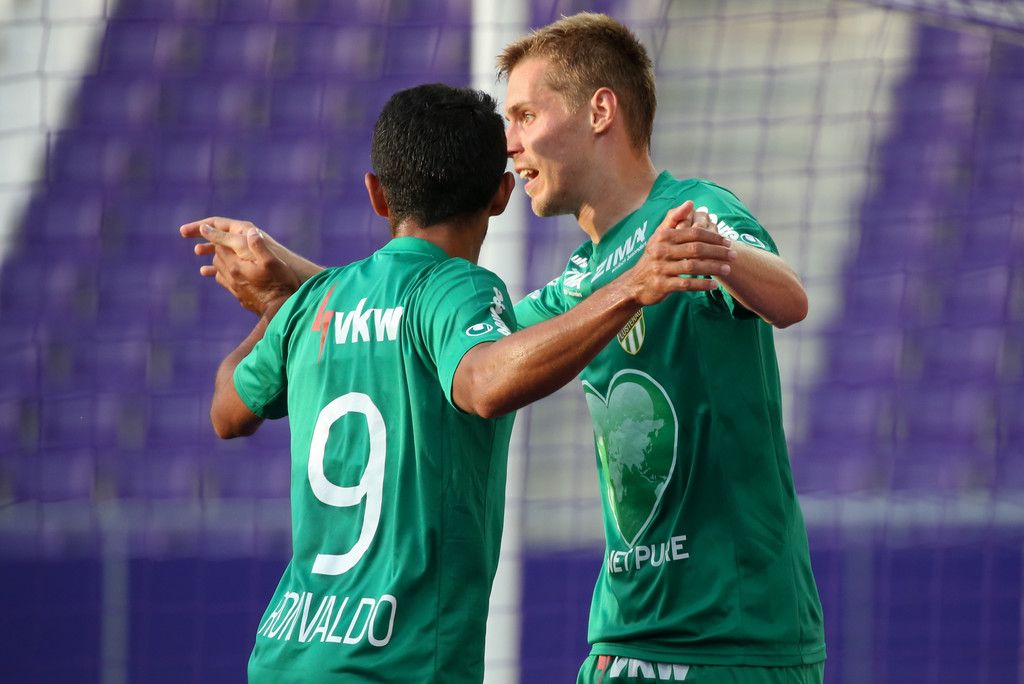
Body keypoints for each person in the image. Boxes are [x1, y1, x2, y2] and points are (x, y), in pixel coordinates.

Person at [184, 83, 736, 683]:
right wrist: (631, 288)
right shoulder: (460, 290)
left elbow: (226, 412)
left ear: (376, 193)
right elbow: (484, 384)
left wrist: (274, 309)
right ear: (501, 194)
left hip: (284, 653)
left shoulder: (312, 303)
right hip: (395, 663)